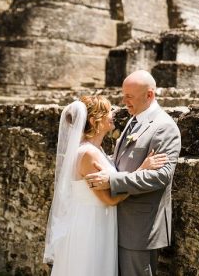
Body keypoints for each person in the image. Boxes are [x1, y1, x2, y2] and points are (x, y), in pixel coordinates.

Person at [43, 96, 167, 276]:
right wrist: (142, 169)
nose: (114, 113)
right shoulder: (87, 155)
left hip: (97, 220)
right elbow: (109, 199)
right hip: (91, 225)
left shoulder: (95, 150)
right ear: (94, 121)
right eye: (108, 111)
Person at [86, 70, 182, 276]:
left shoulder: (164, 127)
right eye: (124, 94)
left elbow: (162, 176)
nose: (124, 101)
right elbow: (122, 162)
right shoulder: (134, 119)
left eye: (129, 96)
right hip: (117, 220)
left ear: (149, 95)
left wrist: (112, 181)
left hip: (140, 228)